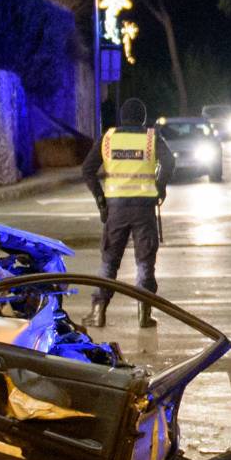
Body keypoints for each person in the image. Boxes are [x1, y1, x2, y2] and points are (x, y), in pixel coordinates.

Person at [82, 97, 173, 327]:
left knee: (109, 262)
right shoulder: (151, 138)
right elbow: (170, 162)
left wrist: (101, 201)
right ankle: (144, 315)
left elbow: (87, 169)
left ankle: (98, 312)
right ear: (142, 119)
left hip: (116, 211)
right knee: (145, 262)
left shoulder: (108, 138)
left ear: (122, 118)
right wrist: (159, 188)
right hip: (144, 209)